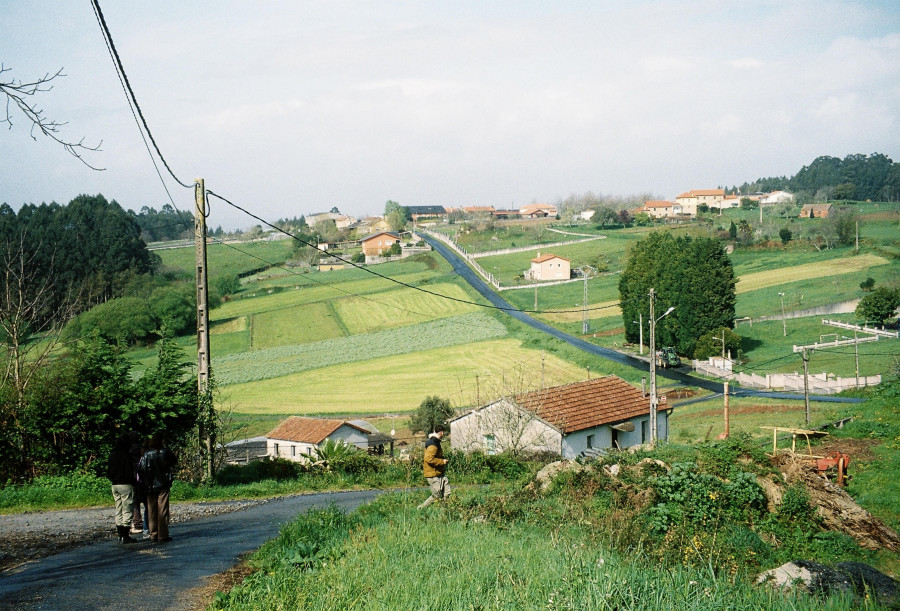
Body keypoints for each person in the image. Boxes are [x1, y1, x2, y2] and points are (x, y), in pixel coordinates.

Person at [139, 434, 177, 543]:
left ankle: (153, 534)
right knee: (163, 510)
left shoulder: (146, 454)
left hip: (150, 485)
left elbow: (141, 469)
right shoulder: (165, 452)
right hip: (163, 484)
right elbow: (174, 461)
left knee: (151, 510)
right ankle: (163, 535)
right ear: (162, 441)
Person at [107, 433, 136, 544]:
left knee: (118, 508)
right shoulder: (126, 455)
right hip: (125, 484)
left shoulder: (112, 454)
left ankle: (120, 534)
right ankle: (125, 535)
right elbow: (129, 471)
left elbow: (109, 471)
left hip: (115, 484)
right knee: (127, 509)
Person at [417, 424, 450, 509]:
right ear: (441, 433)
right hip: (432, 473)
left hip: (438, 472)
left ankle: (446, 510)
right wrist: (442, 461)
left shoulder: (435, 441)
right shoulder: (433, 444)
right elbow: (429, 459)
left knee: (446, 492)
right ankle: (422, 508)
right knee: (437, 495)